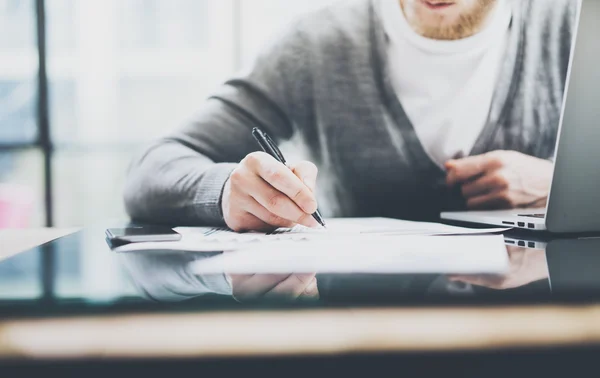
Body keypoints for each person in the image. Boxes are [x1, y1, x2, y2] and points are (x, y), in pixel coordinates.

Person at [124, 0, 578, 231]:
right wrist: (227, 193)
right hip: (359, 336)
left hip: (547, 330)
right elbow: (153, 169)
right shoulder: (319, 44)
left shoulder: (573, 27)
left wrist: (562, 185)